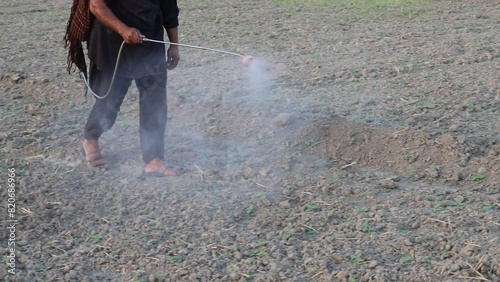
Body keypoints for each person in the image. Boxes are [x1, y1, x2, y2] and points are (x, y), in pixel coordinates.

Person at [80, 0, 180, 176]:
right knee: (110, 98)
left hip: (150, 43)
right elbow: (96, 5)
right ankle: (91, 140)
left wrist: (174, 45)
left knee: (155, 101)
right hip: (111, 42)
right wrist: (123, 30)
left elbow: (169, 8)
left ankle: (154, 159)